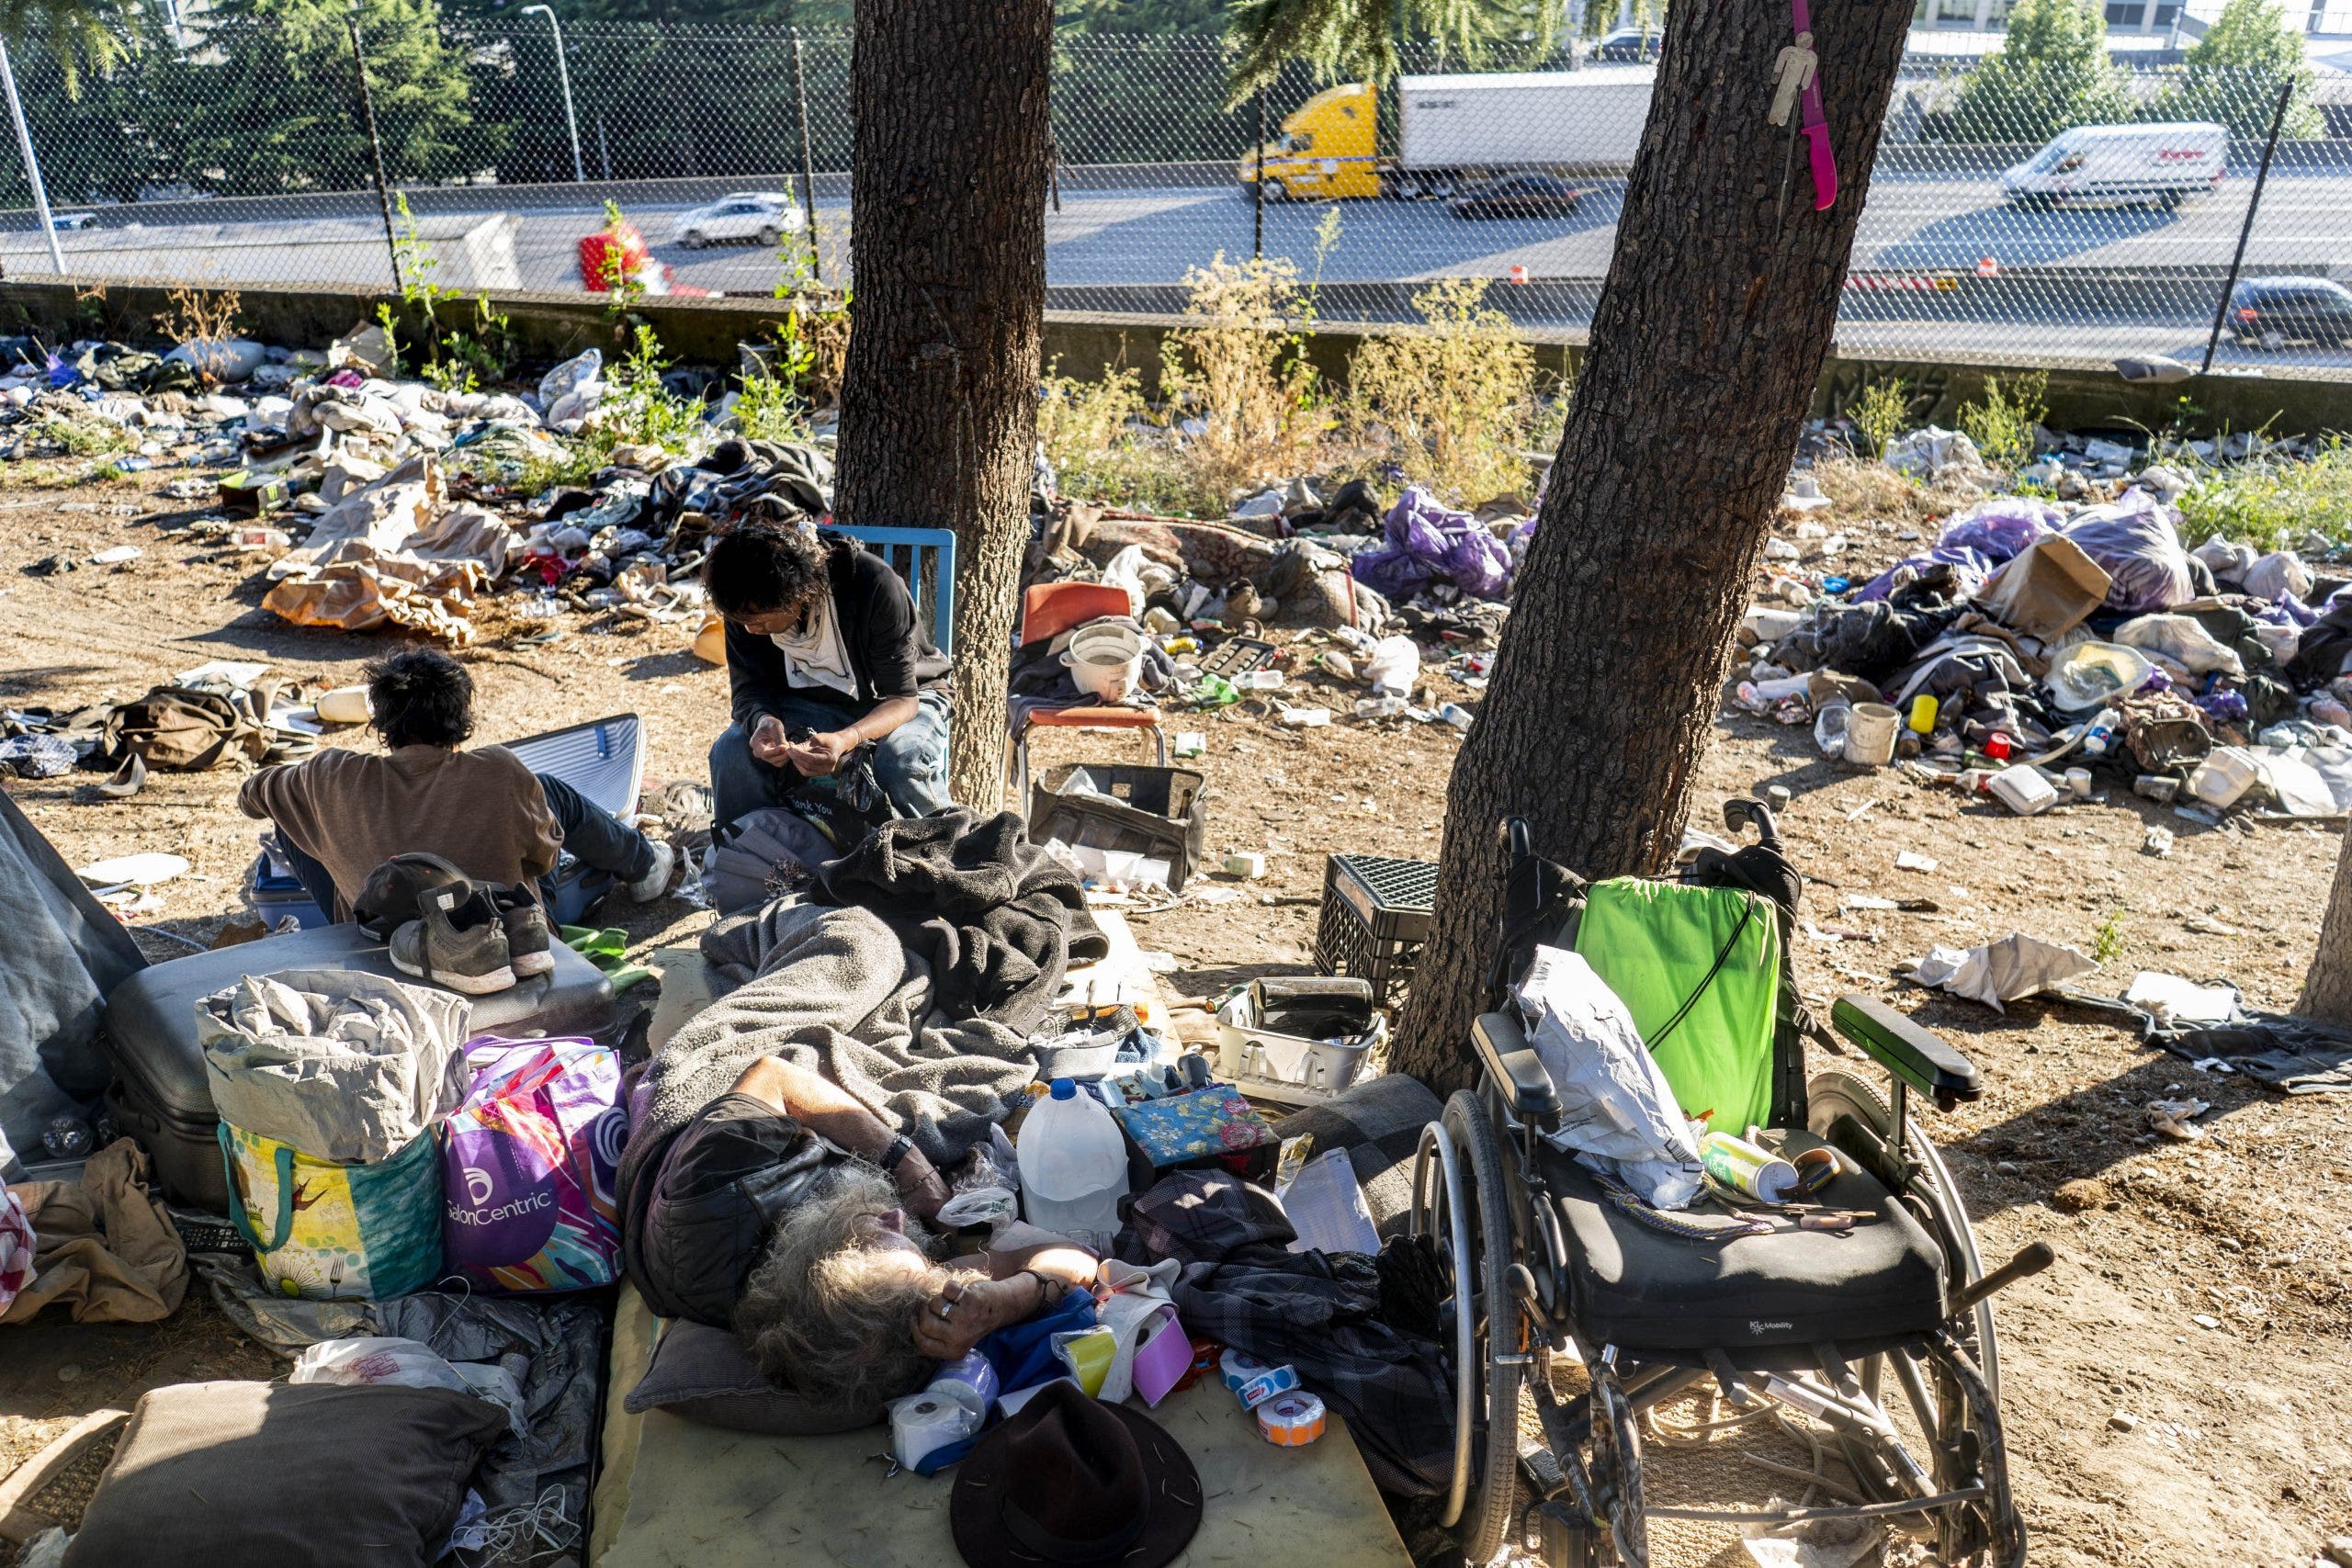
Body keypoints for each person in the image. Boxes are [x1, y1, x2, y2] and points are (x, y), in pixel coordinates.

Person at [628, 1055, 1096, 1413]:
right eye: (895, 1236)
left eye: (878, 1230)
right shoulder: (884, 1304)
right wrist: (1002, 1302)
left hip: (702, 1128)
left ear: (820, 1246)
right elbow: (1072, 1257)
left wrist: (906, 1161)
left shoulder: (715, 1184)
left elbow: (773, 1073)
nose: (897, 1218)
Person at [238, 649, 676, 922]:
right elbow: (544, 857)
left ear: (382, 722)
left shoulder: (331, 775)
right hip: (501, 939)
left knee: (288, 817)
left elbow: (252, 797)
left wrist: (332, 816)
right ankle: (644, 865)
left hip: (381, 937)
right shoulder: (501, 772)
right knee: (548, 793)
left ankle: (343, 931)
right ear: (460, 720)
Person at [702, 522, 953, 829]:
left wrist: (847, 738)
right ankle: (750, 859)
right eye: (742, 621)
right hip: (809, 701)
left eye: (762, 622)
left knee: (901, 760)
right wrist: (764, 721)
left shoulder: (872, 583)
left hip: (901, 697)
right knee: (732, 752)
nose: (751, 630)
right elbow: (748, 689)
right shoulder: (743, 603)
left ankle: (939, 856)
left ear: (797, 595)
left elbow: (903, 698)